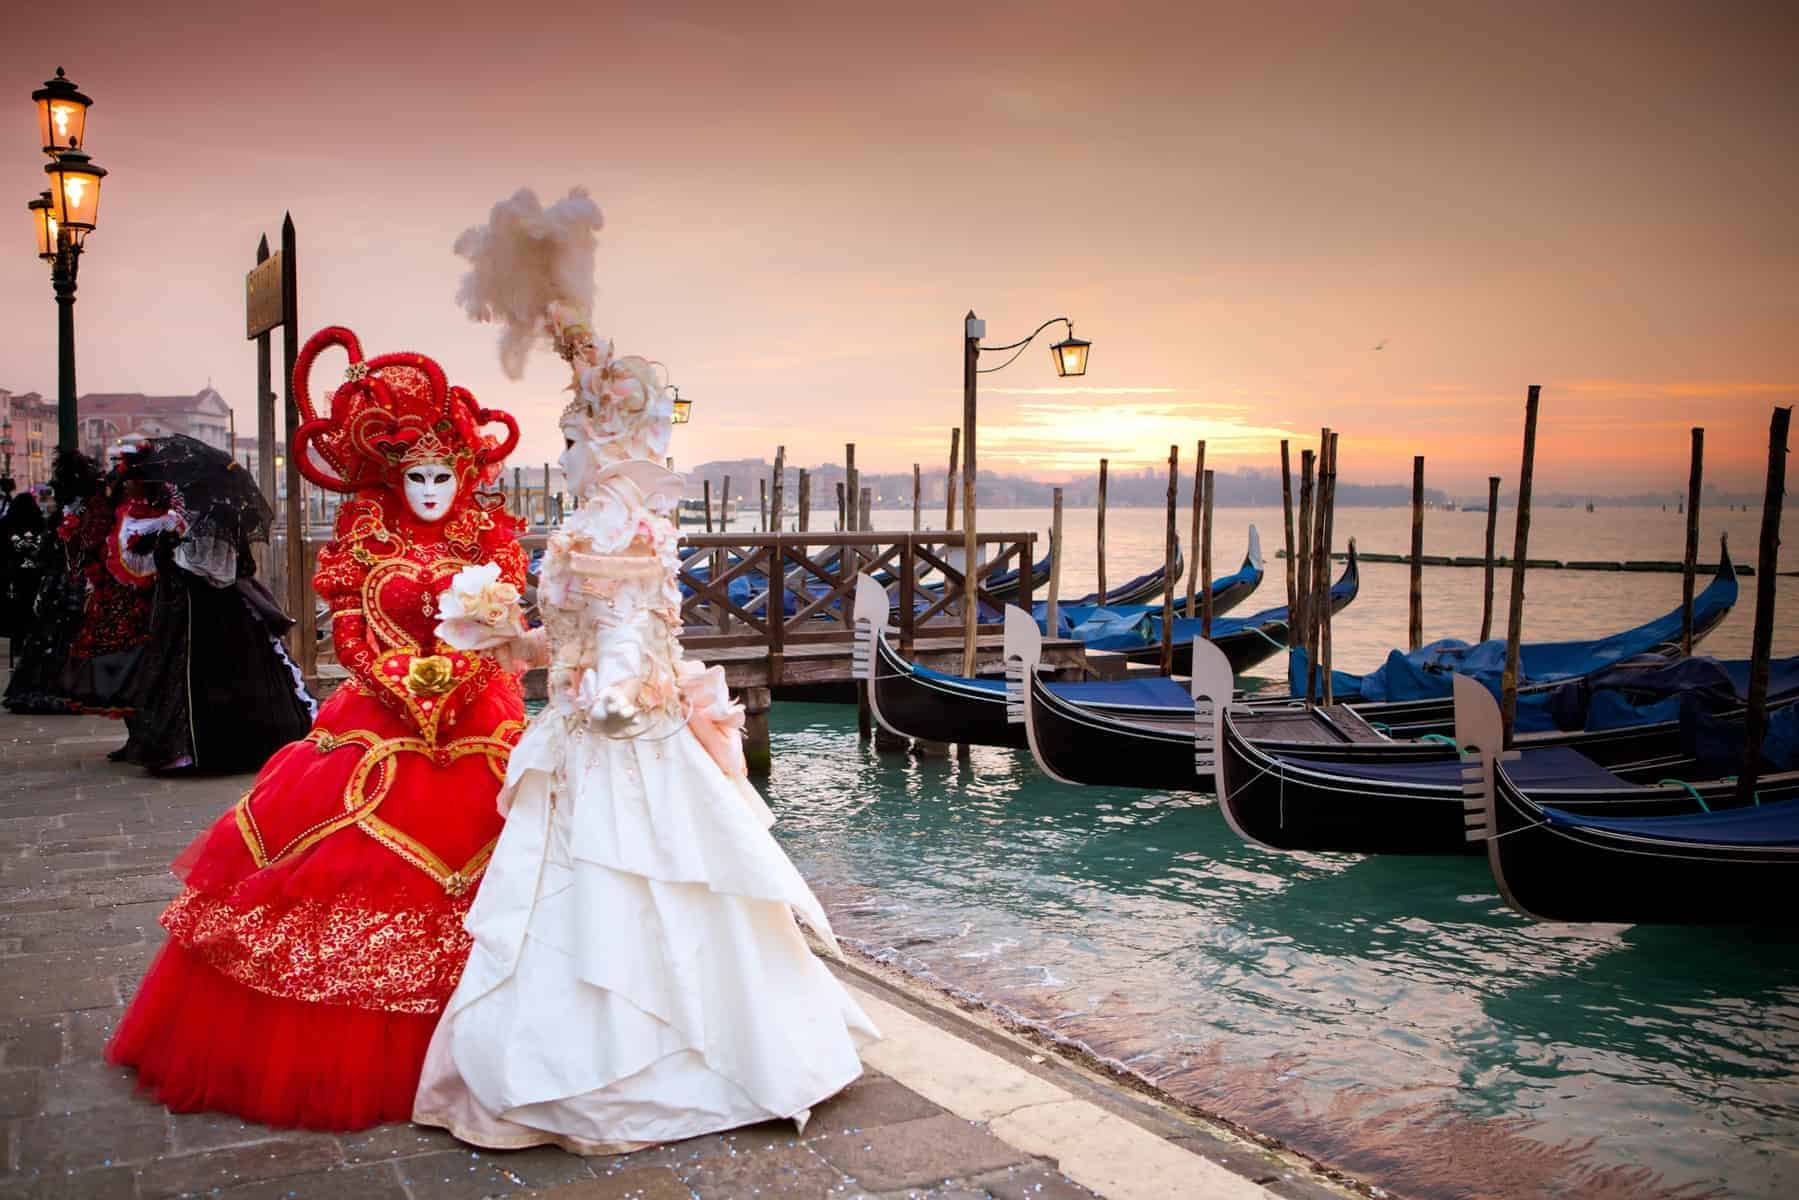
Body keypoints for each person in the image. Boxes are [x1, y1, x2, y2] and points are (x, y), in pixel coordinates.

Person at [413, 195, 875, 1153]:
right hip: (613, 727)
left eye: (584, 435)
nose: (580, 450)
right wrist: (527, 648)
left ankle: (622, 1070)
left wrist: (584, 674)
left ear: (596, 437)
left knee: (618, 890)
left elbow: (610, 633)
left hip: (613, 729)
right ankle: (665, 1063)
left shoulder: (596, 521)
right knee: (656, 889)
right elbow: (601, 635)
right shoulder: (627, 521)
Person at [107, 327, 527, 1130]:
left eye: (444, 474)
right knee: (334, 856)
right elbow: (349, 629)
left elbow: (503, 628)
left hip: (478, 717)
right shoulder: (366, 538)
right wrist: (395, 681)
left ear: (465, 473)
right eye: (417, 475)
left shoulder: (490, 540)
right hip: (379, 720)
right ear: (391, 475)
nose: (432, 490)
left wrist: (465, 677)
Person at [111, 434, 316, 773]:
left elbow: (215, 570)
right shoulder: (195, 517)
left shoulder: (213, 518)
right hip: (194, 608)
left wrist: (171, 550)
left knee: (209, 675)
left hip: (205, 609)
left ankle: (205, 749)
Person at [59, 439, 160, 715]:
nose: (130, 486)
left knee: (140, 662)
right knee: (120, 662)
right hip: (117, 589)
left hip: (147, 596)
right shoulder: (112, 506)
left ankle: (142, 731)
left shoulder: (160, 508)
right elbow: (97, 541)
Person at [3, 450, 104, 715]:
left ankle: (63, 688)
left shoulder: (85, 513)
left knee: (66, 632)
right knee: (54, 632)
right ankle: (48, 687)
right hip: (63, 580)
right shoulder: (71, 512)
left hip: (73, 579)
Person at [0, 490, 47, 641]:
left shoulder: (6, 523)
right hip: (32, 571)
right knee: (28, 603)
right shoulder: (39, 522)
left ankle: (16, 635)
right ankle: (28, 637)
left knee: (14, 605)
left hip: (10, 570)